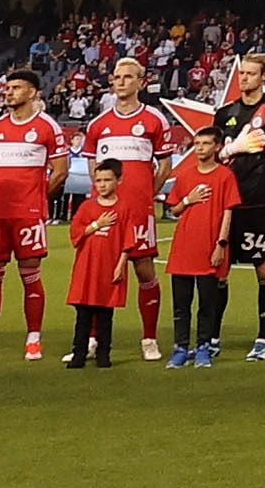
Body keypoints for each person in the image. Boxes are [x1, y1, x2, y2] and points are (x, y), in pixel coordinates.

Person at [80, 55, 177, 362]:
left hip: (138, 211)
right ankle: (93, 338)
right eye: (117, 77)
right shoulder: (99, 125)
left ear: (140, 81)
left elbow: (164, 164)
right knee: (100, 272)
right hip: (106, 212)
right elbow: (93, 163)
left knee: (144, 270)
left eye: (127, 77)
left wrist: (149, 192)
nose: (121, 82)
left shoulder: (154, 120)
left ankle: (149, 338)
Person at [206, 52, 265, 361]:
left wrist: (261, 176)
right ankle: (212, 336)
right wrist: (233, 151)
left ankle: (263, 339)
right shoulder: (224, 114)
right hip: (225, 205)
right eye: (242, 73)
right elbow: (210, 155)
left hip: (257, 203)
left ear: (263, 77)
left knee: (264, 267)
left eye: (250, 73)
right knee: (219, 269)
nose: (244, 78)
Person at [0, 66, 66, 362]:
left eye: (16, 88)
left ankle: (33, 339)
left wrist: (36, 199)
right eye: (8, 88)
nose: (9, 92)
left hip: (28, 214)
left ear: (32, 92)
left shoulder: (47, 127)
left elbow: (60, 171)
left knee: (30, 275)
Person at [160, 125, 239, 368]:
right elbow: (174, 208)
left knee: (207, 303)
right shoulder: (185, 176)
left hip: (210, 247)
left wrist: (221, 244)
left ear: (217, 147)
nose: (200, 148)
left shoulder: (225, 176)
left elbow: (228, 211)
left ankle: (203, 347)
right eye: (197, 144)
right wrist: (187, 199)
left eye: (205, 144)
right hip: (184, 248)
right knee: (181, 304)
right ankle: (180, 348)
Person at [64, 161, 138, 369]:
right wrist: (96, 225)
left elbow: (128, 241)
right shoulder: (87, 207)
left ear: (118, 180)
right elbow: (76, 233)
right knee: (83, 314)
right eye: (98, 181)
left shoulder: (124, 208)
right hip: (87, 268)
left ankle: (104, 354)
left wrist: (120, 266)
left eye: (107, 180)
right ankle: (79, 353)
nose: (102, 185)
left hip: (109, 267)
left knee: (106, 314)